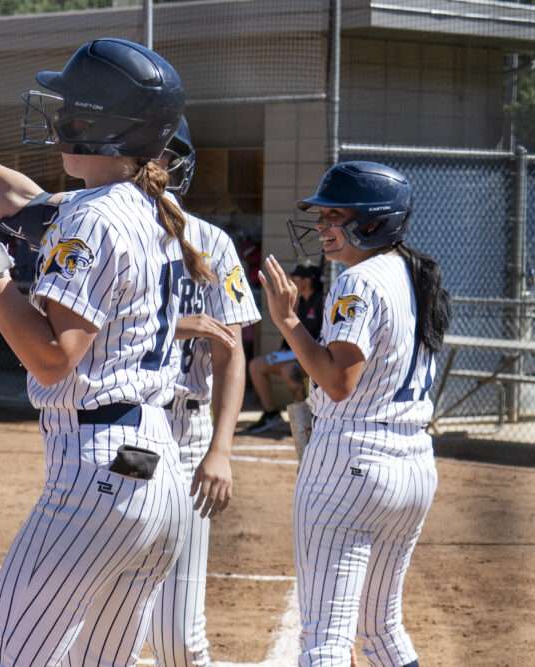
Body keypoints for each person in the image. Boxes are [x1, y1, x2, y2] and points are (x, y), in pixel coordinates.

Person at [0, 38, 206, 666]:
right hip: (156, 469)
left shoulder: (93, 215)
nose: (59, 113)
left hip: (97, 472)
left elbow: (52, 357)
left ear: (103, 122)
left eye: (71, 103)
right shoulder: (152, 207)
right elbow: (30, 206)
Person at [260, 161, 448, 666]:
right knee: (381, 631)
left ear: (372, 221)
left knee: (325, 639)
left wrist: (287, 321)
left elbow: (338, 381)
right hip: (412, 462)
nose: (322, 226)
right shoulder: (416, 274)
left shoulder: (358, 280)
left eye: (333, 215)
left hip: (352, 462)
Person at [148, 117, 262, 667]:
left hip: (186, 428)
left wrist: (222, 448)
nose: (155, 164)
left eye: (164, 155)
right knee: (100, 618)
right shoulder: (100, 227)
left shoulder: (210, 242)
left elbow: (231, 350)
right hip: (115, 426)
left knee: (177, 635)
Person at [244, 263, 324, 434]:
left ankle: (307, 421)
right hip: (294, 354)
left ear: (307, 281)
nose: (291, 281)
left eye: (296, 277)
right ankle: (271, 414)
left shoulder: (321, 301)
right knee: (256, 365)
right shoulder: (299, 301)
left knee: (290, 372)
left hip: (312, 357)